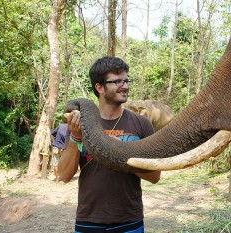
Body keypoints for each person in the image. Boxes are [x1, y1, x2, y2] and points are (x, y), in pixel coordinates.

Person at [58, 56, 161, 233]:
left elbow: (154, 177)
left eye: (126, 80)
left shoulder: (142, 124)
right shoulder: (77, 123)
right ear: (100, 87)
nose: (126, 86)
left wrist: (121, 151)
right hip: (89, 220)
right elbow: (64, 175)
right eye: (117, 81)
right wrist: (75, 136)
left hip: (129, 219)